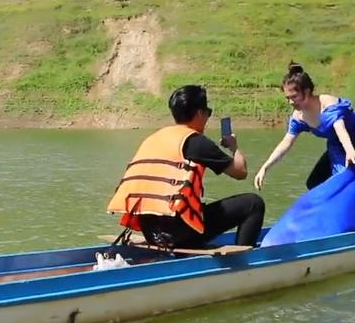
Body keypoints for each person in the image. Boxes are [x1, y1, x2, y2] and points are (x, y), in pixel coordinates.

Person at [107, 85, 265, 248]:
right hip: (179, 234)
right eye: (207, 112)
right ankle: (244, 263)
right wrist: (235, 147)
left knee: (196, 209)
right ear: (199, 113)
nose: (207, 117)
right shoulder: (196, 142)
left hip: (151, 232)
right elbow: (240, 172)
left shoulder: (153, 138)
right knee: (253, 203)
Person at [254, 62, 355, 226]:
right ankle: (332, 216)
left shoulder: (327, 103)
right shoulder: (299, 116)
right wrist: (265, 167)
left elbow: (340, 128)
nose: (291, 102)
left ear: (306, 92)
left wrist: (350, 151)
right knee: (314, 182)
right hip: (338, 144)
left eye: (294, 97)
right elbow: (286, 142)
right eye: (288, 98)